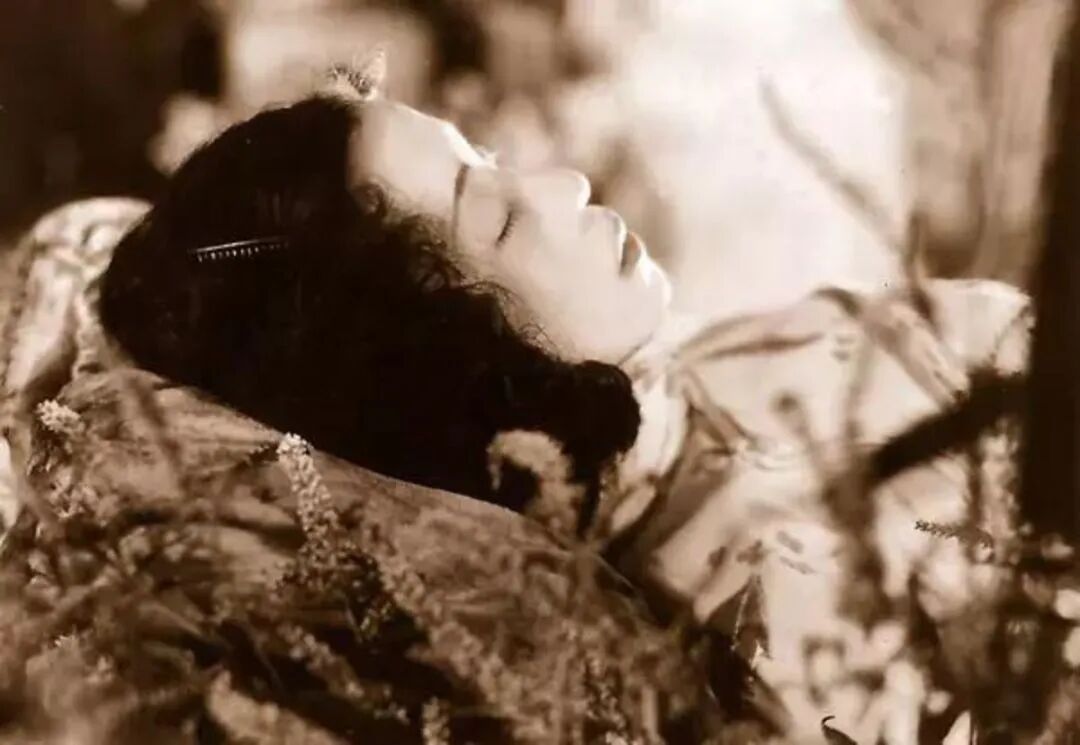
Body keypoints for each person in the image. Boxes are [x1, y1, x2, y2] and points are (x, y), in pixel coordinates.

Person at [97, 64, 1031, 742]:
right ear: (446, 364)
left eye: (496, 160)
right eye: (501, 218)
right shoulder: (739, 643)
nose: (567, 185)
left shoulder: (699, 367)